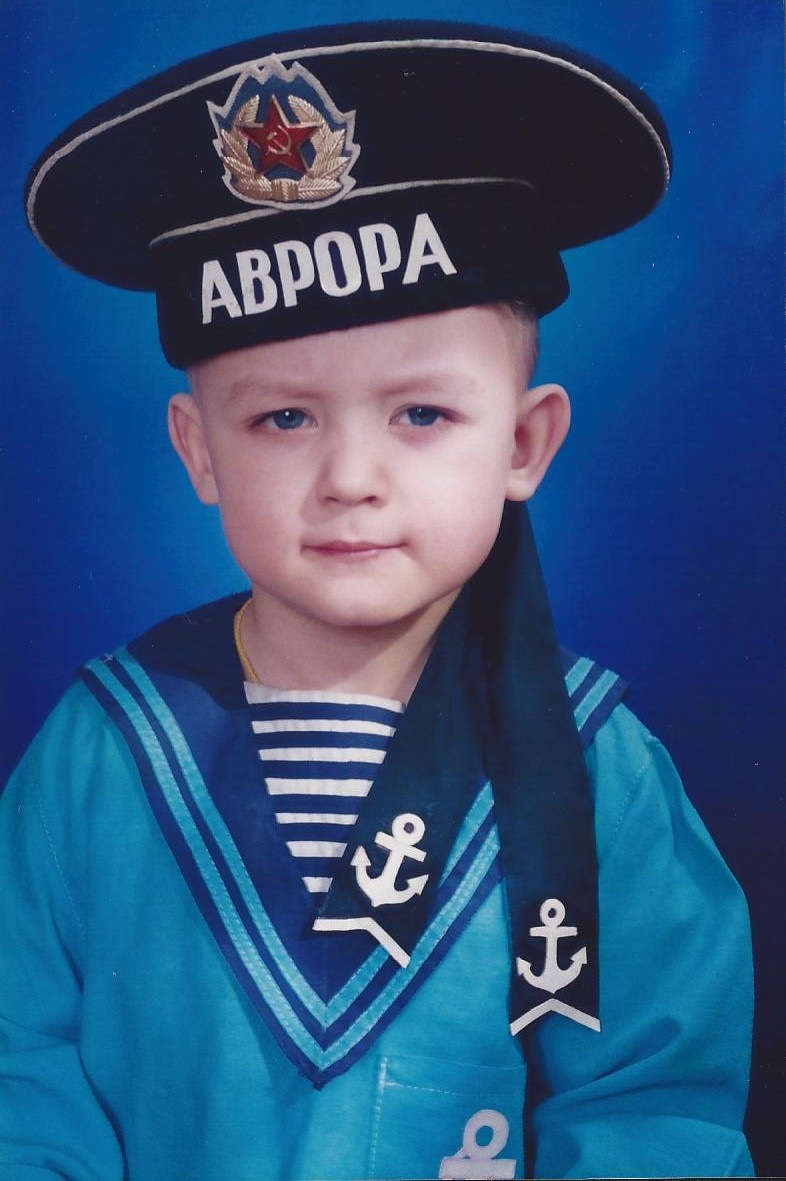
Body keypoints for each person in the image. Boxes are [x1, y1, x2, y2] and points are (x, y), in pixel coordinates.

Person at [1, 20, 753, 1180]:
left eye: (421, 414)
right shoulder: (99, 752)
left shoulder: (597, 768)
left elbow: (652, 1105)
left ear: (525, 442)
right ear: (198, 450)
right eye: (282, 417)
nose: (351, 476)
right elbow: (18, 1075)